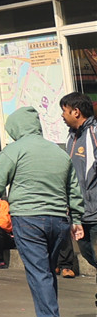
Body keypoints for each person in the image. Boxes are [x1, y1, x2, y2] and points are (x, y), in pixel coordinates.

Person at [0, 106, 81, 317]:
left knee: (38, 271)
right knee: (47, 271)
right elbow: (74, 189)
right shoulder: (59, 152)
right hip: (59, 220)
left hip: (29, 218)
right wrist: (76, 218)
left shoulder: (14, 150)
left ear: (16, 128)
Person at [62, 93, 97, 292]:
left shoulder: (94, 133)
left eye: (64, 111)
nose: (62, 116)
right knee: (86, 253)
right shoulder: (72, 137)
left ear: (76, 112)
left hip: (95, 211)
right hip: (80, 212)